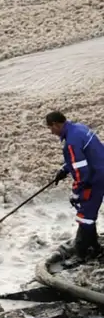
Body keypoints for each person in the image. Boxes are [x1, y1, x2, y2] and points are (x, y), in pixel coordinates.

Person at [47, 111, 104, 261]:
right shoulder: (79, 128)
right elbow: (85, 156)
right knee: (88, 213)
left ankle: (82, 252)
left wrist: (76, 192)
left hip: (95, 178)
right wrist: (65, 169)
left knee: (85, 215)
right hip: (100, 169)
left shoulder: (71, 141)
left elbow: (81, 171)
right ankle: (93, 245)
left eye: (50, 128)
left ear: (56, 124)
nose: (51, 132)